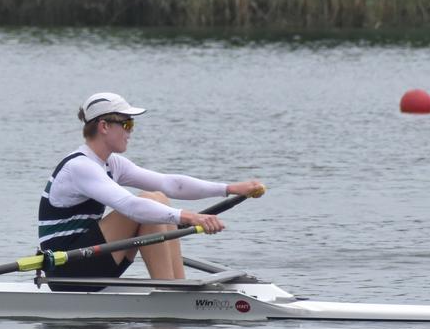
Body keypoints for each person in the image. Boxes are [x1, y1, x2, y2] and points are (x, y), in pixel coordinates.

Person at [38, 92, 264, 286]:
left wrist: (231, 188)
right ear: (104, 126)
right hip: (66, 268)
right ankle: (170, 292)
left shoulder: (111, 163)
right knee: (149, 201)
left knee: (158, 196)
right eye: (126, 124)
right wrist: (191, 217)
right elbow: (131, 206)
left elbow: (171, 184)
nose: (131, 131)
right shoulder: (79, 166)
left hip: (91, 261)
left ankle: (176, 285)